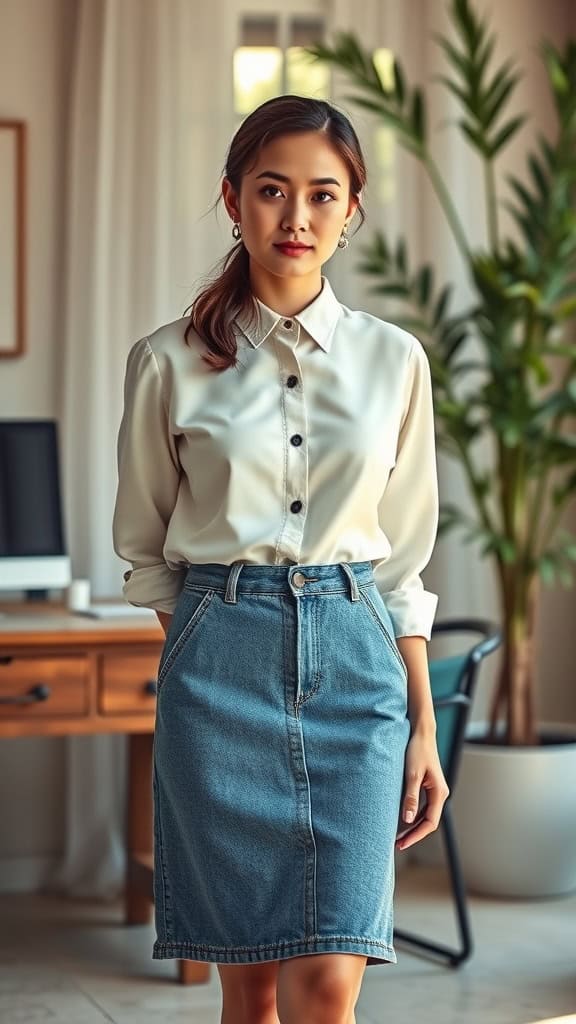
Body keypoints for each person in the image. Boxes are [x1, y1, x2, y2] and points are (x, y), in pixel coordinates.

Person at [112, 94, 449, 1024]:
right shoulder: (167, 362)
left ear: (352, 212)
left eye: (322, 195)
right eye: (270, 191)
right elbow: (146, 551)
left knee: (331, 981)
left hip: (358, 665)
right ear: (232, 200)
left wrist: (422, 727)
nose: (295, 218)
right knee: (250, 985)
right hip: (220, 666)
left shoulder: (397, 363)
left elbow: (403, 569)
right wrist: (211, 644)